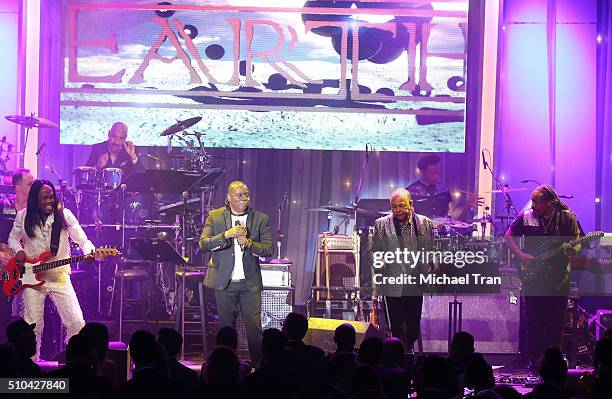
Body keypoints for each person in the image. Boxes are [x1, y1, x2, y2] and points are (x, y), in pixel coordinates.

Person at [8, 179, 95, 359]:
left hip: (59, 276)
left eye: (51, 196)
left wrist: (89, 251)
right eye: (44, 197)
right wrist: (19, 251)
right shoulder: (23, 216)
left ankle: (74, 363)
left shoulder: (64, 215)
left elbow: (84, 241)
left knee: (77, 322)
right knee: (33, 326)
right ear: (34, 199)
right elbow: (13, 239)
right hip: (32, 278)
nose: (49, 200)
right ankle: (31, 366)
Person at [504, 184, 582, 370]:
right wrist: (521, 255)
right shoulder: (528, 216)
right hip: (534, 278)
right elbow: (508, 236)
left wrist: (572, 249)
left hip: (558, 278)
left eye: (536, 201)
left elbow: (578, 245)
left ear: (549, 202)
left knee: (556, 321)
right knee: (534, 321)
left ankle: (553, 362)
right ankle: (534, 360)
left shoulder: (567, 217)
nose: (532, 204)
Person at [199, 181, 273, 367]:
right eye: (239, 195)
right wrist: (226, 235)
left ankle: (258, 367)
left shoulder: (260, 218)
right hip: (225, 282)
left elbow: (268, 249)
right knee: (226, 329)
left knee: (255, 329)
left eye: (247, 194)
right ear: (228, 198)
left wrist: (248, 243)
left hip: (250, 284)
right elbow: (203, 244)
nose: (244, 198)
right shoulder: (215, 216)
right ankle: (224, 367)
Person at [370, 188, 434, 352]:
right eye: (394, 207)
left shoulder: (425, 222)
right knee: (395, 328)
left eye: (401, 206)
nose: (397, 210)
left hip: (415, 283)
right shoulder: (382, 224)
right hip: (392, 283)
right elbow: (373, 252)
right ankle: (397, 359)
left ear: (410, 204)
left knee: (413, 327)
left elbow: (430, 249)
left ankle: (407, 354)